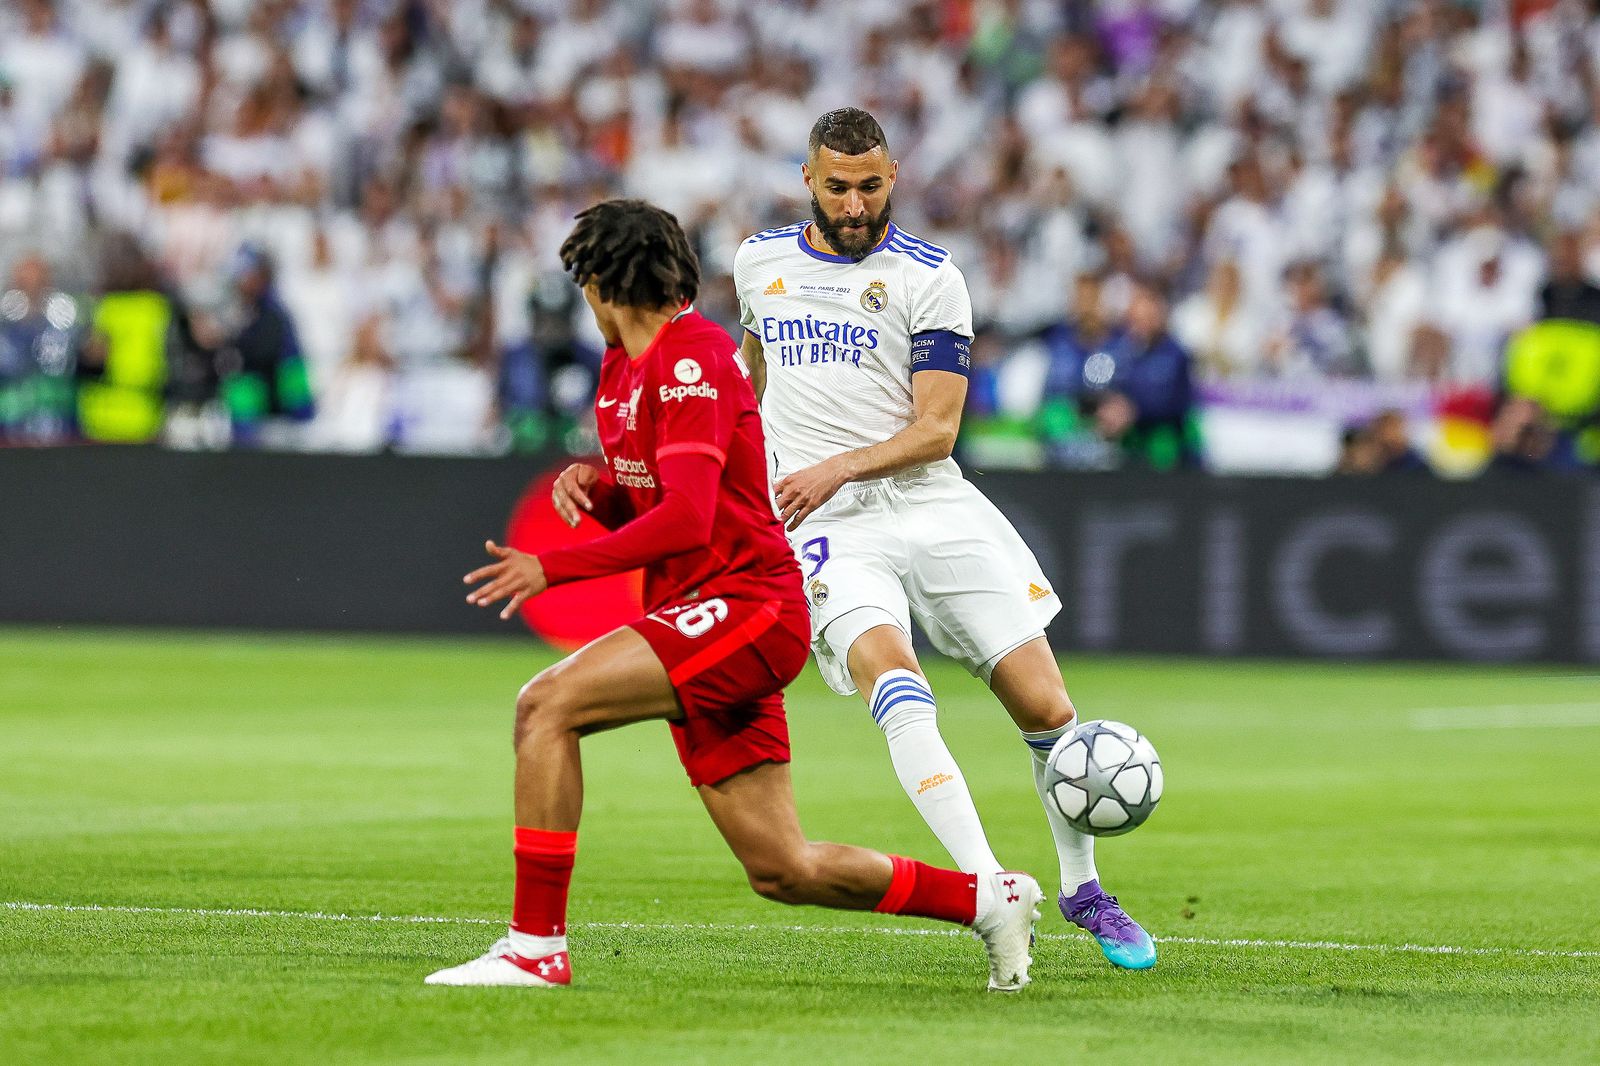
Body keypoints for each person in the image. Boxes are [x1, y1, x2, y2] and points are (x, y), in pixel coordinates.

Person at [425, 200, 1042, 992]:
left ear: (606, 284)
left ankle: (535, 948)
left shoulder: (695, 360)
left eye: (584, 284)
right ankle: (990, 900)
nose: (584, 302)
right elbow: (666, 496)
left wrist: (557, 566)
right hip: (702, 614)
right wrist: (603, 489)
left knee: (546, 706)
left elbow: (688, 518)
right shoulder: (624, 369)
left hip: (749, 605)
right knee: (782, 868)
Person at [732, 108, 1156, 970]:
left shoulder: (931, 276)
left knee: (1048, 710)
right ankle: (991, 889)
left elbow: (938, 429)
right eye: (838, 187)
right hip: (829, 528)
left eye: (872, 186)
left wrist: (834, 465)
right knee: (893, 675)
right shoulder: (757, 261)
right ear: (808, 180)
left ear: (896, 177)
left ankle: (1082, 887)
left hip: (926, 501)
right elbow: (756, 374)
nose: (856, 205)